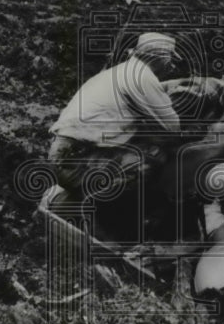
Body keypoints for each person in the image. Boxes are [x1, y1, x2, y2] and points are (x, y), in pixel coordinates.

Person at [48, 32, 181, 207]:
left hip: (61, 155)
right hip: (76, 160)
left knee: (133, 148)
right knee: (153, 156)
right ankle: (99, 211)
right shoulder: (142, 75)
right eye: (170, 59)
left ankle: (83, 198)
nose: (171, 66)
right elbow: (173, 127)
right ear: (160, 58)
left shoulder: (118, 72)